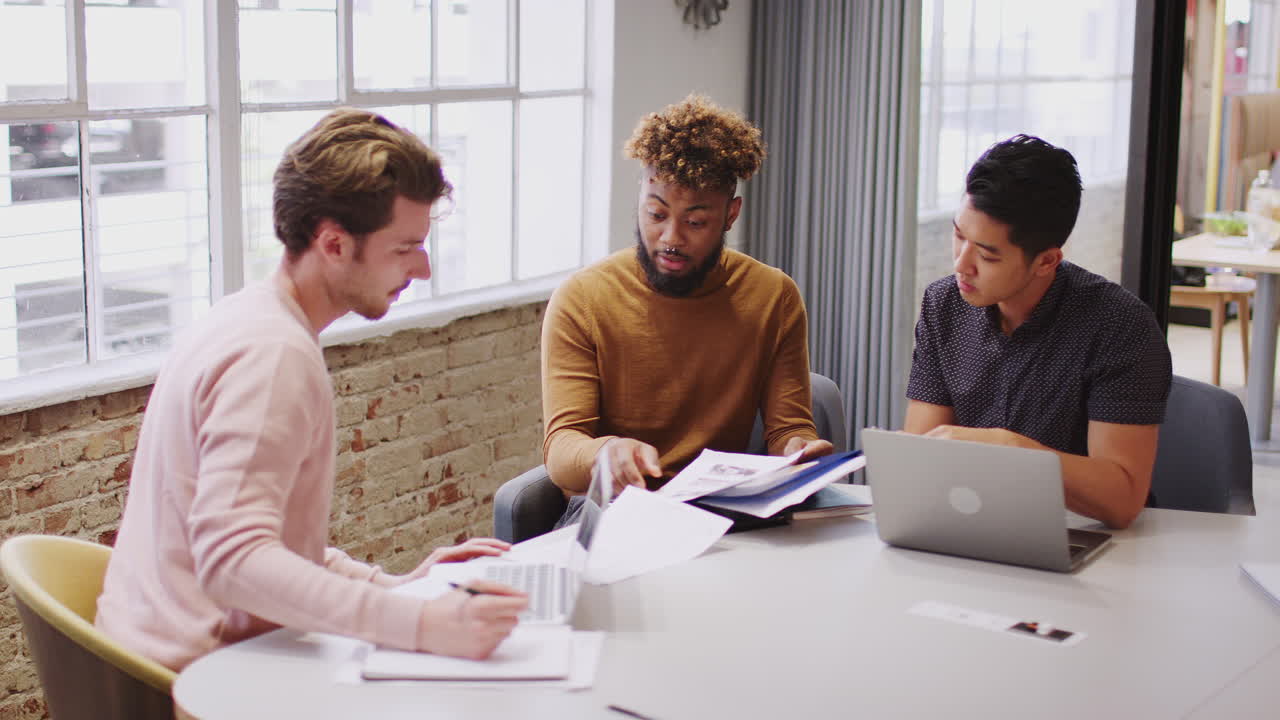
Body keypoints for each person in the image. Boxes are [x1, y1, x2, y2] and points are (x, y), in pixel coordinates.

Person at [96, 108, 527, 672]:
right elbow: (233, 560)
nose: (422, 268)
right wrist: (422, 625)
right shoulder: (273, 358)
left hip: (162, 655)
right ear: (333, 244)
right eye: (403, 248)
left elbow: (255, 536)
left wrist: (393, 587)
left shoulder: (245, 317)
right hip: (196, 681)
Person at [541, 94, 832, 512]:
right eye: (656, 214)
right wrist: (605, 453)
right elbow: (562, 451)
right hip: (615, 512)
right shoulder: (584, 299)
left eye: (696, 222)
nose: (672, 238)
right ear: (640, 197)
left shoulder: (773, 297)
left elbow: (789, 429)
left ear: (731, 215)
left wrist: (797, 451)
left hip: (720, 512)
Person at [904, 134, 1172, 529]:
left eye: (987, 254)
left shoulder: (1119, 326)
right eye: (959, 236)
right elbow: (919, 459)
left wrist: (1014, 451)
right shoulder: (944, 305)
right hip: (969, 526)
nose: (962, 265)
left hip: (1083, 538)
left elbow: (1123, 499)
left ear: (1046, 261)